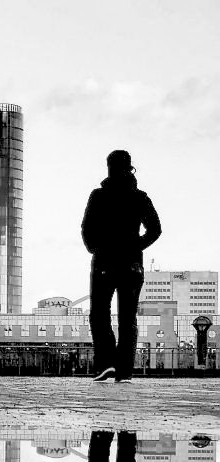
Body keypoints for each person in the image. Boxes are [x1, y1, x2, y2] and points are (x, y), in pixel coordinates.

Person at [81, 150, 162, 383]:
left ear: (109, 168)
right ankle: (124, 371)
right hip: (132, 265)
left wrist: (95, 248)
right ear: (130, 168)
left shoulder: (98, 196)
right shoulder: (140, 197)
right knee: (128, 319)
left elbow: (86, 229)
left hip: (104, 263)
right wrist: (135, 247)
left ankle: (106, 364)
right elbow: (155, 229)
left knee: (99, 315)